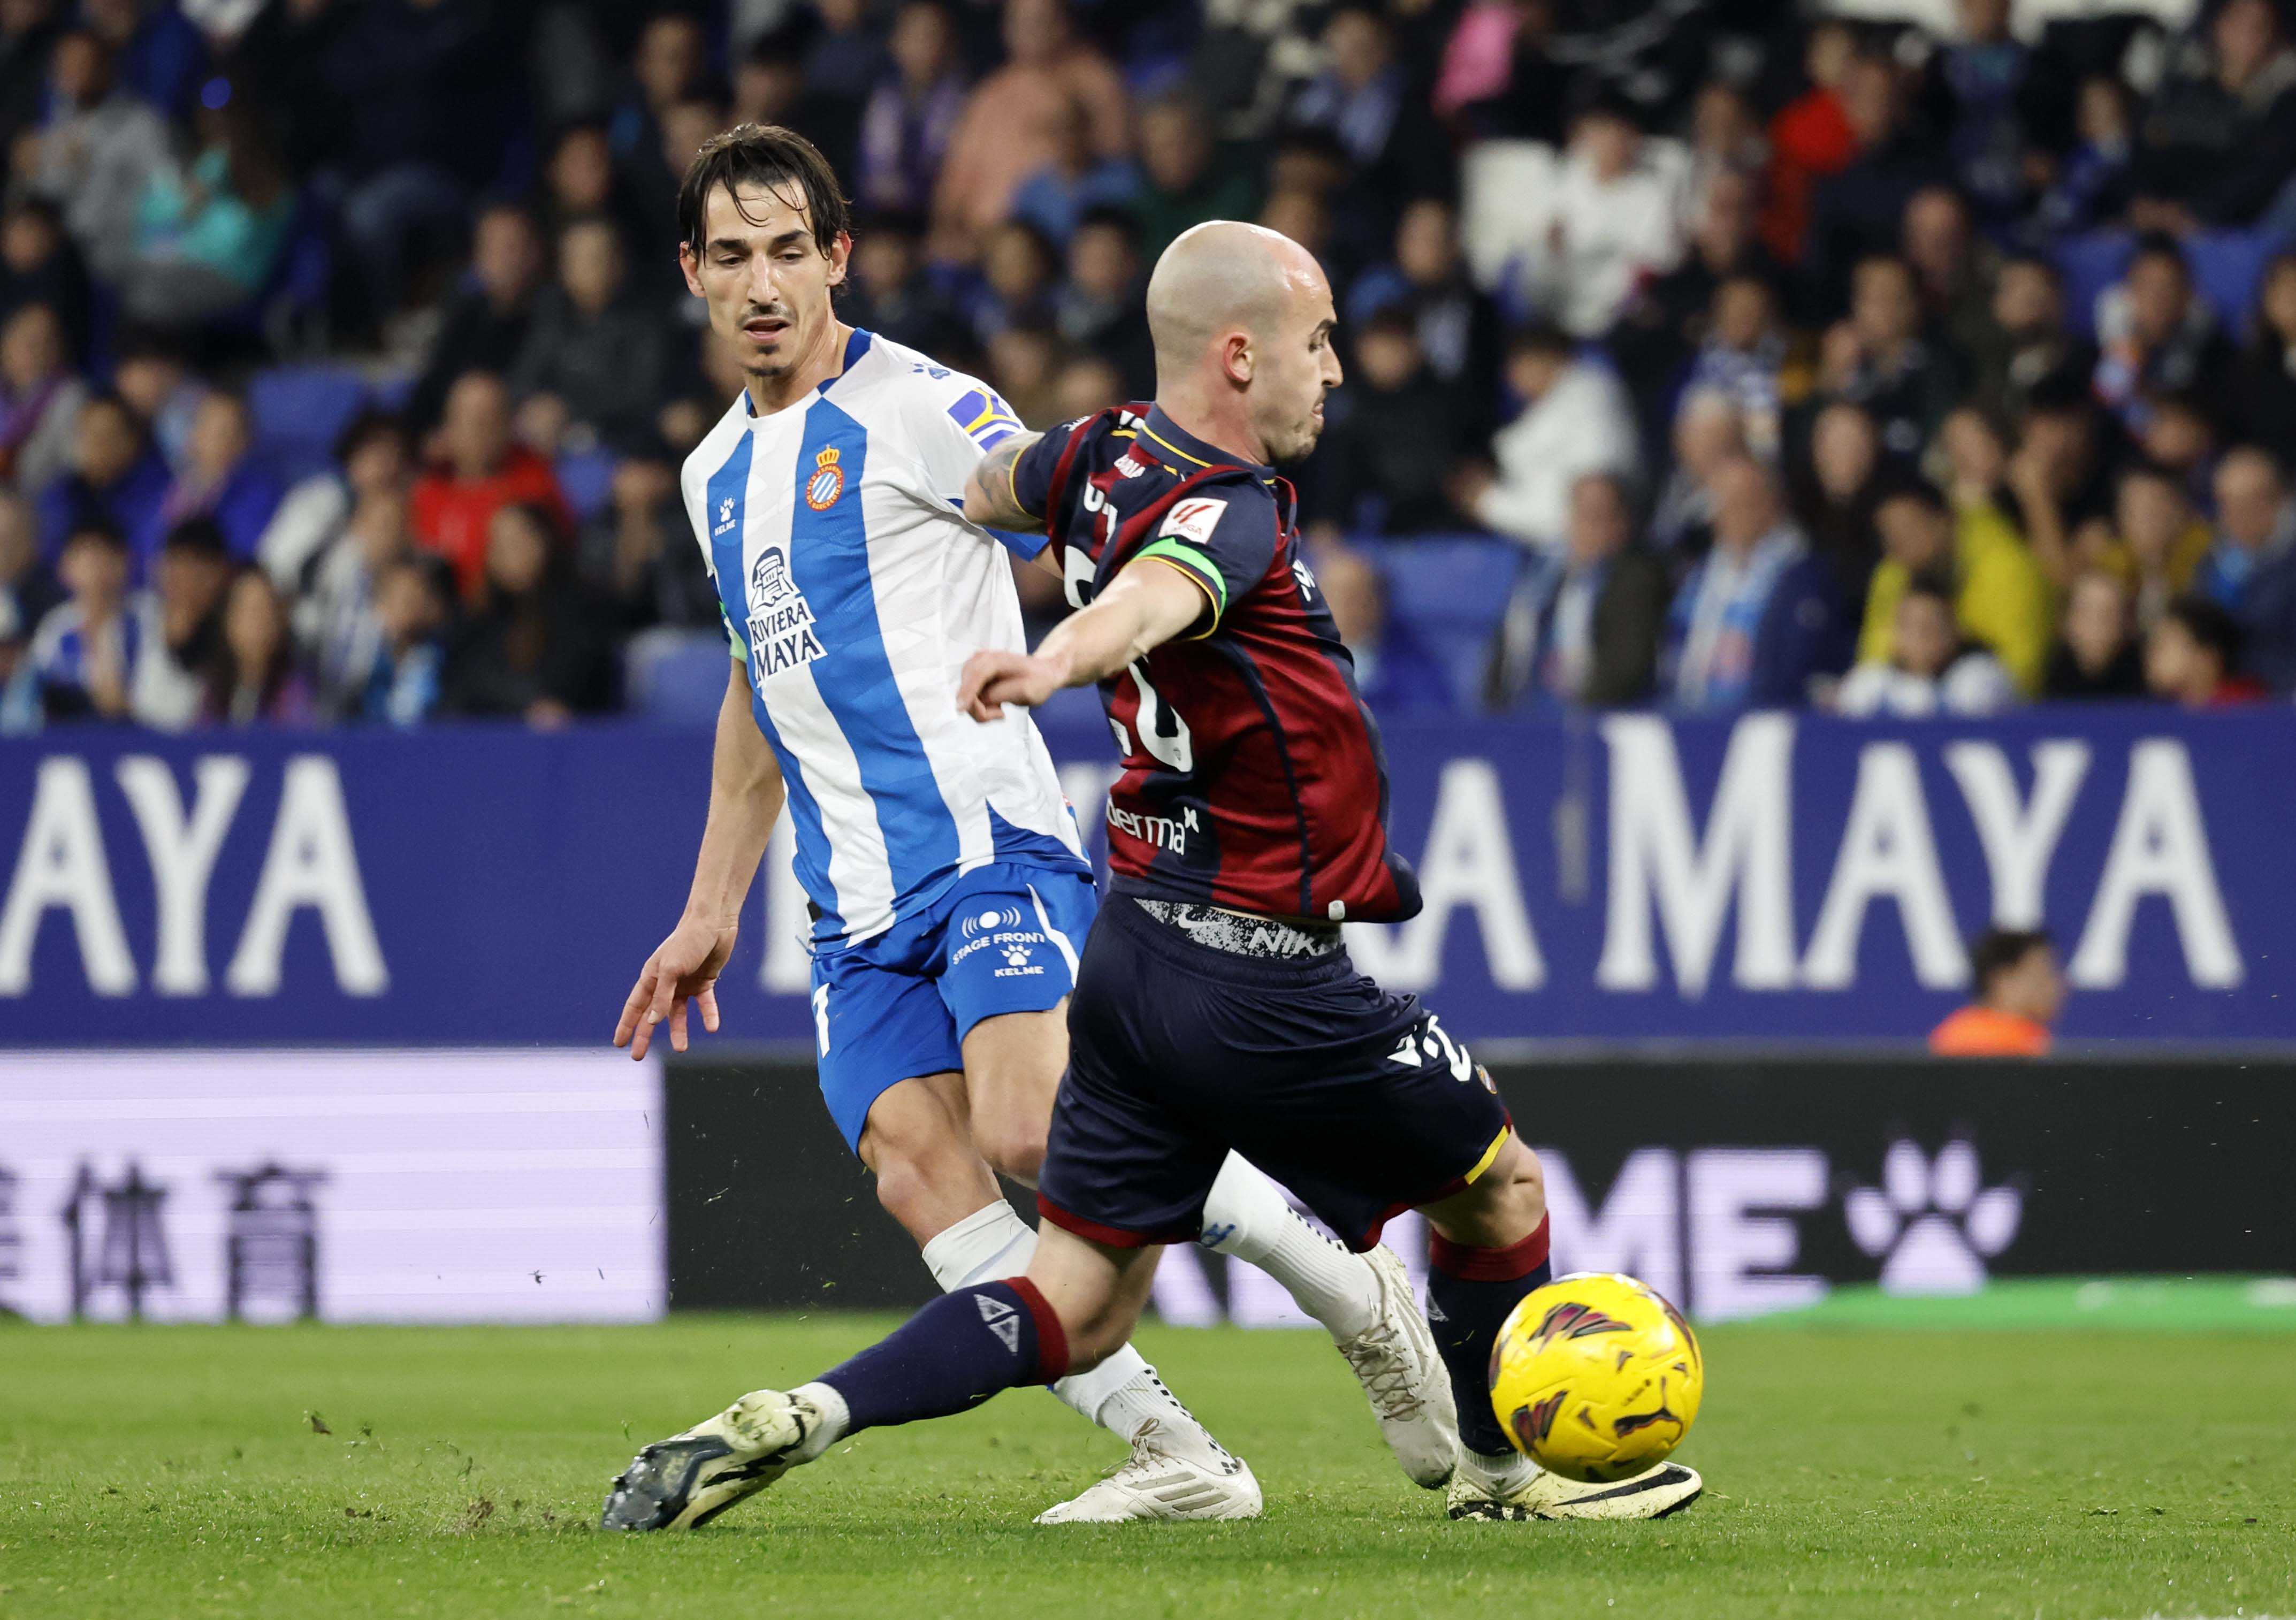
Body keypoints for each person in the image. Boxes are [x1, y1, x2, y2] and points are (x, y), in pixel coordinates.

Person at [603, 216, 1707, 1534]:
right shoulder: (1228, 511)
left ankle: (809, 1412)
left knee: (1062, 1271)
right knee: (1499, 1185)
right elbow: (1151, 594)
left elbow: (1000, 486)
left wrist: (1000, 589)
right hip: (1249, 959)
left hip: (1116, 928)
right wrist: (1054, 659)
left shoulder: (1070, 449)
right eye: (1317, 342)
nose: (1333, 368)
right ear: (1240, 355)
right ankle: (1486, 1470)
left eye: (787, 248)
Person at [1666, 454, 1849, 712]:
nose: (1728, 515)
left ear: (1771, 505)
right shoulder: (1700, 573)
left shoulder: (1802, 577)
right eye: (1721, 504)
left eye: (1742, 503)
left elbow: (1794, 666)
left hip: (1760, 718)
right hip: (1686, 715)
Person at [1834, 577, 2018, 717]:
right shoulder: (1867, 684)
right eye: (1910, 627)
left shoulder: (1979, 678)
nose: (1921, 637)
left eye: (1931, 626)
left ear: (1955, 631)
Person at [1929, 928, 2064, 1057]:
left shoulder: (2033, 1038)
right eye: (2043, 975)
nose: (2054, 986)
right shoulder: (1973, 1041)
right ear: (2003, 980)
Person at [2145, 594, 2265, 707]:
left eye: (2163, 645)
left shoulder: (2249, 707)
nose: (2151, 655)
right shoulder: (2160, 710)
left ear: (2206, 655)